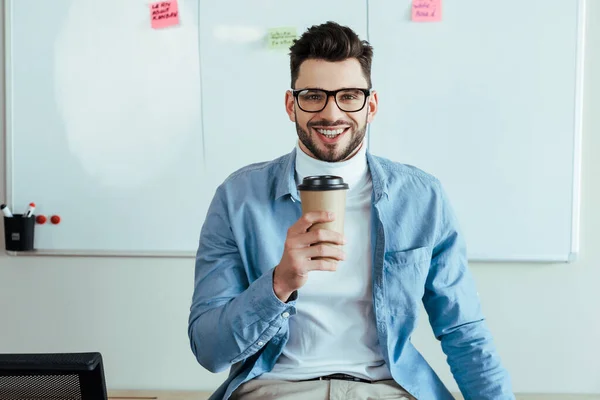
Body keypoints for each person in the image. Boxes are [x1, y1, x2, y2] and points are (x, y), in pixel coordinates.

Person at [188, 21, 514, 400]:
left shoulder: (422, 198)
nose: (331, 113)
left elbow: (463, 330)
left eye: (349, 96)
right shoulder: (238, 197)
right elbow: (209, 349)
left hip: (388, 389)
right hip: (275, 388)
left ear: (370, 105)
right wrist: (278, 284)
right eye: (313, 95)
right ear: (291, 104)